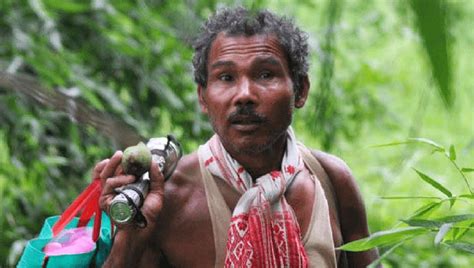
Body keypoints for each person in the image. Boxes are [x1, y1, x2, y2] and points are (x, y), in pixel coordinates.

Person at [97, 7, 379, 267]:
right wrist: (131, 235)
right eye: (226, 78)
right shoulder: (170, 198)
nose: (244, 95)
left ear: (301, 90)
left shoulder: (332, 182)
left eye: (266, 74)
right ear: (203, 97)